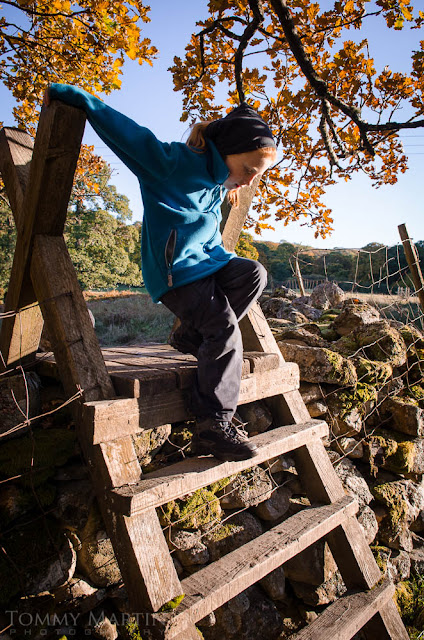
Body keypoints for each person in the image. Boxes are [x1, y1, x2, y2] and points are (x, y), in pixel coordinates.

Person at [45, 84, 277, 461]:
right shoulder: (169, 163)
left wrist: (230, 185)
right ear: (225, 152)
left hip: (208, 263)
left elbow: (215, 192)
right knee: (223, 329)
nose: (252, 181)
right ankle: (212, 425)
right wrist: (72, 96)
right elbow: (124, 131)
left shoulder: (221, 181)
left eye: (257, 175)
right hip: (177, 273)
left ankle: (190, 335)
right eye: (249, 171)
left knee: (254, 273)